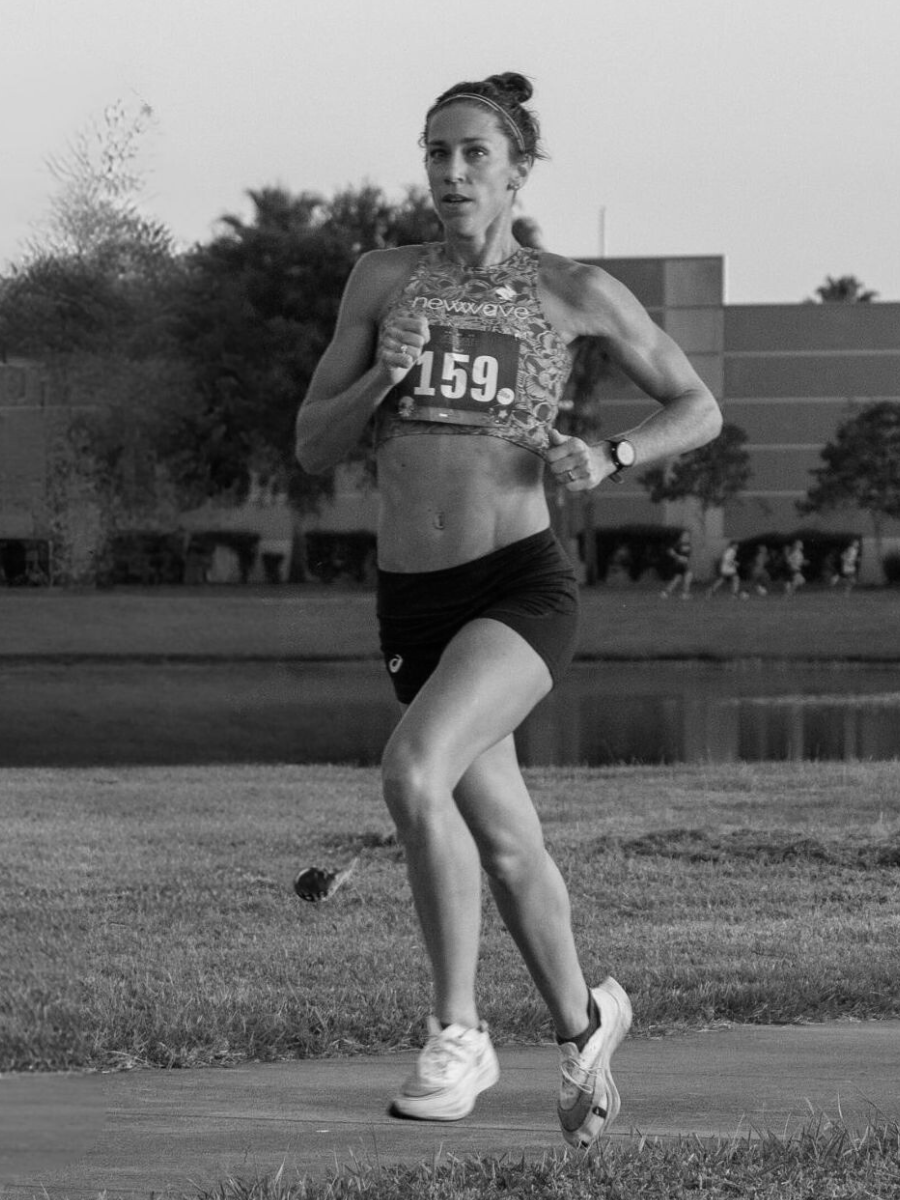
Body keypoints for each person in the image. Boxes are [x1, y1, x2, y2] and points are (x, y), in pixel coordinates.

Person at [295, 71, 722, 1147]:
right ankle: (586, 1026)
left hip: (520, 587)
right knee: (510, 844)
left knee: (413, 771)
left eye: (473, 153)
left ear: (517, 170)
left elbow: (697, 405)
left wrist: (613, 454)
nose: (450, 172)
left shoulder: (572, 290)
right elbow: (312, 443)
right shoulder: (382, 279)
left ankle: (458, 1032)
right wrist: (380, 380)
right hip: (414, 603)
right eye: (435, 151)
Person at [660, 533, 694, 599]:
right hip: (678, 564)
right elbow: (670, 551)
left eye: (687, 536)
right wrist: (676, 556)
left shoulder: (688, 545)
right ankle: (685, 594)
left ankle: (665, 593)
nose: (686, 537)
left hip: (682, 564)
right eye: (685, 536)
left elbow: (686, 557)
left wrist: (679, 557)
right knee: (688, 575)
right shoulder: (678, 544)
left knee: (677, 579)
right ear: (682, 537)